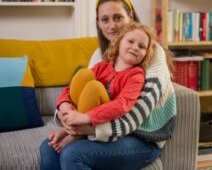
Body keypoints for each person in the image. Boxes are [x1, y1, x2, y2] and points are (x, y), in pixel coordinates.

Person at [40, 0, 176, 170]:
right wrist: (66, 113)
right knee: (48, 148)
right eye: (105, 20)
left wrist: (85, 128)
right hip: (104, 127)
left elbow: (132, 114)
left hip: (142, 137)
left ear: (131, 16)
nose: (112, 26)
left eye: (118, 17)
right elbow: (78, 91)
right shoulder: (100, 57)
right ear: (98, 23)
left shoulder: (151, 54)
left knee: (72, 154)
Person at [47, 22, 155, 153]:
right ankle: (71, 129)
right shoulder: (103, 66)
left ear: (146, 54)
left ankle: (74, 134)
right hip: (80, 112)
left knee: (95, 87)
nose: (135, 47)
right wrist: (63, 106)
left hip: (102, 118)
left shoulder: (136, 76)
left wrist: (86, 118)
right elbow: (71, 89)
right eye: (131, 41)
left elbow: (122, 104)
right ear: (119, 42)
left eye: (142, 46)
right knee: (84, 74)